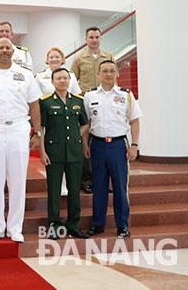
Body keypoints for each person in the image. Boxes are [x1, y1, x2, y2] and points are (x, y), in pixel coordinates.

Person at [0, 38, 42, 243]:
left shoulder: (26, 75)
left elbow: (35, 105)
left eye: (7, 48)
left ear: (13, 52)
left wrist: (37, 134)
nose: (4, 51)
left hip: (19, 127)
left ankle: (15, 228)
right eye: (1, 48)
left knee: (18, 179)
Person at [84, 60, 142, 239]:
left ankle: (122, 225)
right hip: (97, 145)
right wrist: (85, 144)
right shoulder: (90, 96)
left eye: (112, 71)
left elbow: (135, 121)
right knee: (99, 187)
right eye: (105, 71)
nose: (108, 74)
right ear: (99, 74)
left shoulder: (126, 95)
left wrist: (134, 145)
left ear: (117, 74)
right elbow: (86, 123)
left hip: (119, 146)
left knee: (120, 187)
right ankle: (98, 223)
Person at [38, 67, 89, 240]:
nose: (62, 81)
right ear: (52, 82)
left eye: (65, 78)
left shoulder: (78, 100)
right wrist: (42, 151)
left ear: (70, 81)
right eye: (58, 78)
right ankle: (54, 224)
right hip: (54, 152)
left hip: (74, 152)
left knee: (75, 189)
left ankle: (73, 224)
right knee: (53, 189)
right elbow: (41, 128)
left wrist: (76, 136)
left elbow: (85, 123)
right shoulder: (45, 102)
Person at [70, 26, 115, 195]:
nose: (94, 40)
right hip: (86, 103)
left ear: (100, 38)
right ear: (86, 39)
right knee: (86, 141)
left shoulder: (108, 57)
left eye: (97, 37)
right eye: (91, 37)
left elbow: (113, 76)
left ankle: (103, 180)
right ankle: (87, 180)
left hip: (105, 102)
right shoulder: (79, 59)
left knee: (103, 139)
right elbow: (72, 82)